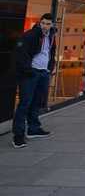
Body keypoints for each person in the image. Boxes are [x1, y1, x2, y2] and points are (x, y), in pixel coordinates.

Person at [11, 13, 56, 148]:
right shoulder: (30, 35)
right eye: (43, 23)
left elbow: (50, 52)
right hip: (31, 73)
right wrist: (28, 70)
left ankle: (33, 128)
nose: (45, 26)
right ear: (39, 23)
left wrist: (50, 67)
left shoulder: (51, 36)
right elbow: (20, 53)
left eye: (48, 24)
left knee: (37, 101)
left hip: (43, 72)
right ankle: (18, 136)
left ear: (52, 24)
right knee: (25, 103)